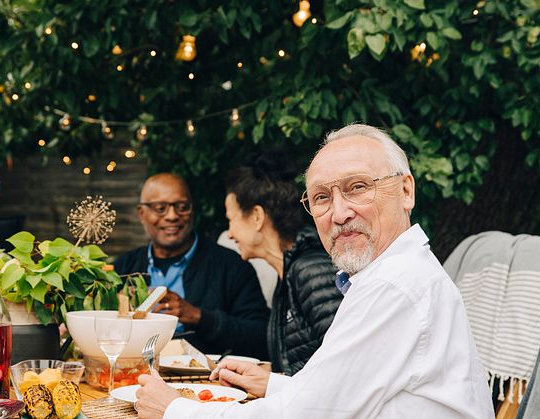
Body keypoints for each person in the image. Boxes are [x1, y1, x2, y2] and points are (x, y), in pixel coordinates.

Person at [134, 124, 495, 418]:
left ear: (405, 191)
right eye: (321, 197)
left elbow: (310, 414)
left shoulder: (393, 285)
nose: (338, 213)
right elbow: (342, 390)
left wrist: (174, 409)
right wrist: (274, 384)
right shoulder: (387, 275)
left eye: (358, 188)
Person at [113, 173, 270, 359]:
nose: (172, 216)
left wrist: (198, 317)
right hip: (132, 372)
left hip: (208, 381)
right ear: (142, 214)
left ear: (192, 210)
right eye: (160, 208)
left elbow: (262, 337)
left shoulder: (232, 266)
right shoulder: (124, 267)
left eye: (182, 207)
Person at [223, 152, 343, 375]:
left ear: (257, 217)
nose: (229, 233)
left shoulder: (311, 271)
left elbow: (344, 368)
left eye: (231, 219)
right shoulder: (288, 271)